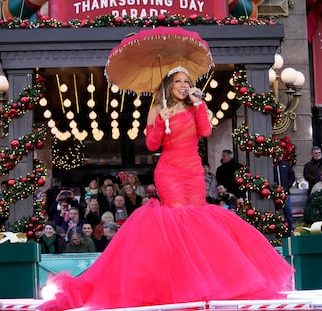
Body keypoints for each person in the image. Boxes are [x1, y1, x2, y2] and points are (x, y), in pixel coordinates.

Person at [39, 66, 292, 310]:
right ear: (169, 86)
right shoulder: (157, 110)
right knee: (176, 223)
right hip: (169, 172)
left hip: (193, 171)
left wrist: (200, 103)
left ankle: (204, 282)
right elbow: (151, 145)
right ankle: (177, 285)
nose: (183, 85)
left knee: (197, 223)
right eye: (179, 81)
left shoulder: (196, 107)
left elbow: (205, 131)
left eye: (187, 81)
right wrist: (161, 121)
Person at [273, 155, 296, 235]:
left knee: (288, 213)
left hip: (285, 193)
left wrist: (287, 185)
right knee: (274, 213)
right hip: (274, 193)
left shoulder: (286, 164)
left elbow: (292, 176)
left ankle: (290, 231)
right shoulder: (272, 165)